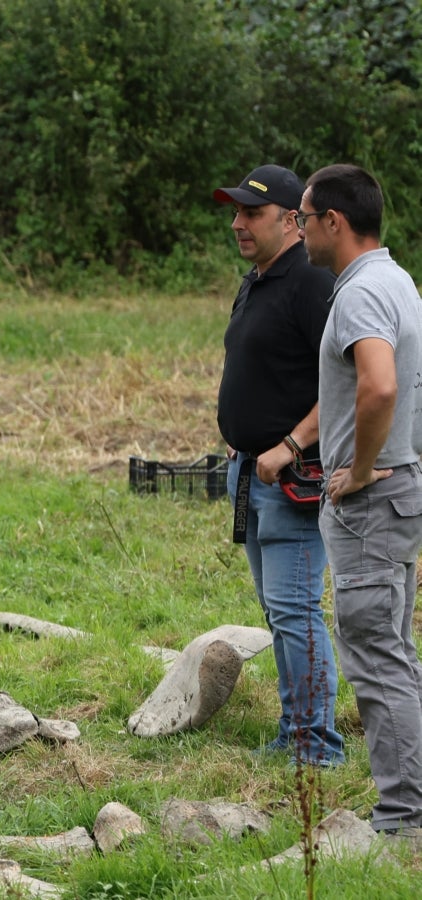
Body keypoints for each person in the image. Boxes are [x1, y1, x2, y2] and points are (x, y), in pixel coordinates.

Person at [303, 163, 422, 839]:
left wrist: (363, 468)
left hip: (373, 503)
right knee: (395, 652)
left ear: (334, 222)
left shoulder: (360, 293)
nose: (300, 229)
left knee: (376, 660)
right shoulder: (397, 280)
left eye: (304, 217)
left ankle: (405, 819)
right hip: (399, 492)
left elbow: (380, 386)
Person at [213, 164, 345, 767]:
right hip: (251, 471)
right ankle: (295, 730)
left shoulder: (311, 284)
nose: (238, 223)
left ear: (292, 220)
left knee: (295, 610)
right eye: (236, 212)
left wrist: (289, 445)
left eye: (252, 213)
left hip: (293, 477)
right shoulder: (257, 279)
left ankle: (316, 746)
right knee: (279, 610)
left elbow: (344, 382)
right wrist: (242, 438)